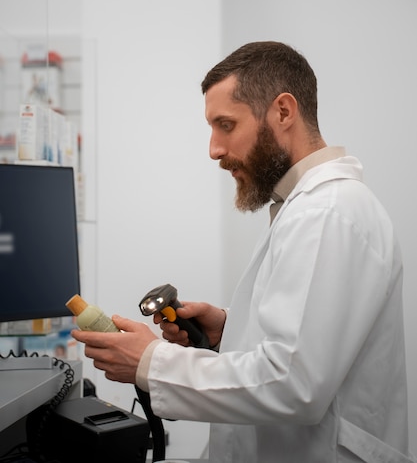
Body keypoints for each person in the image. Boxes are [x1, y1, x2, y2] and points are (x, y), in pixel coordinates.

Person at [72, 41, 415, 463]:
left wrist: (151, 361)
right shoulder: (306, 208)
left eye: (226, 125)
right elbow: (306, 343)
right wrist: (228, 332)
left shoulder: (327, 212)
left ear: (284, 112)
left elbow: (293, 383)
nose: (214, 148)